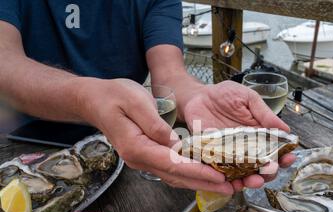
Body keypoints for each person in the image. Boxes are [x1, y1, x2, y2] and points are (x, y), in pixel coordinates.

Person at [0, 0, 295, 195]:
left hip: (126, 153)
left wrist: (199, 96)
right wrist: (89, 98)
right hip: (23, 147)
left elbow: (170, 74)